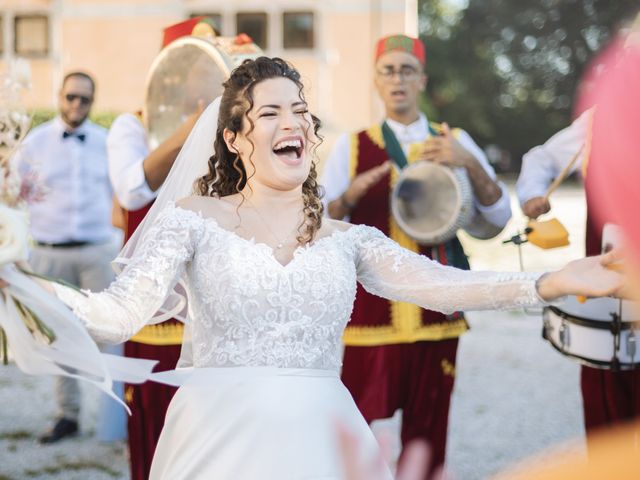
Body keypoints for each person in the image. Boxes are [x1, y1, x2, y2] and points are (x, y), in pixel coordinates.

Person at [42, 57, 622, 479]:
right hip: (218, 443)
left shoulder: (348, 241)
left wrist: (557, 280)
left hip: (324, 442)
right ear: (235, 139)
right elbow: (117, 315)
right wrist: (26, 292)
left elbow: (448, 286)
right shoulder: (193, 220)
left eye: (300, 111)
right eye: (269, 113)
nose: (292, 122)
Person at [321, 34, 512, 473]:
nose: (398, 79)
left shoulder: (455, 141)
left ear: (422, 79)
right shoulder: (352, 146)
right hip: (370, 315)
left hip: (435, 312)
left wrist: (470, 163)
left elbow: (498, 218)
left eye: (407, 69)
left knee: (429, 432)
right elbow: (318, 223)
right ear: (376, 80)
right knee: (357, 428)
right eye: (388, 70)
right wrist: (350, 194)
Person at [106, 17, 206, 480]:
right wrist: (187, 132)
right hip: (152, 304)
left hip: (210, 301)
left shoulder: (229, 126)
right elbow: (130, 192)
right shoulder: (133, 123)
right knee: (153, 423)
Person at [515, 104, 640, 434]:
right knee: (610, 423)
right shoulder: (601, 118)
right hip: (608, 304)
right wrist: (533, 194)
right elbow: (542, 159)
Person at [13, 71, 121, 443]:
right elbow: (11, 194)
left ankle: (117, 417)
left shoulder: (107, 143)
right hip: (49, 255)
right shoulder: (35, 142)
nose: (76, 104)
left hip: (97, 252)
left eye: (84, 99)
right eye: (71, 97)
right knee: (59, 335)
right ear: (60, 95)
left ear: (93, 102)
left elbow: (123, 195)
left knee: (111, 333)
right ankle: (68, 415)